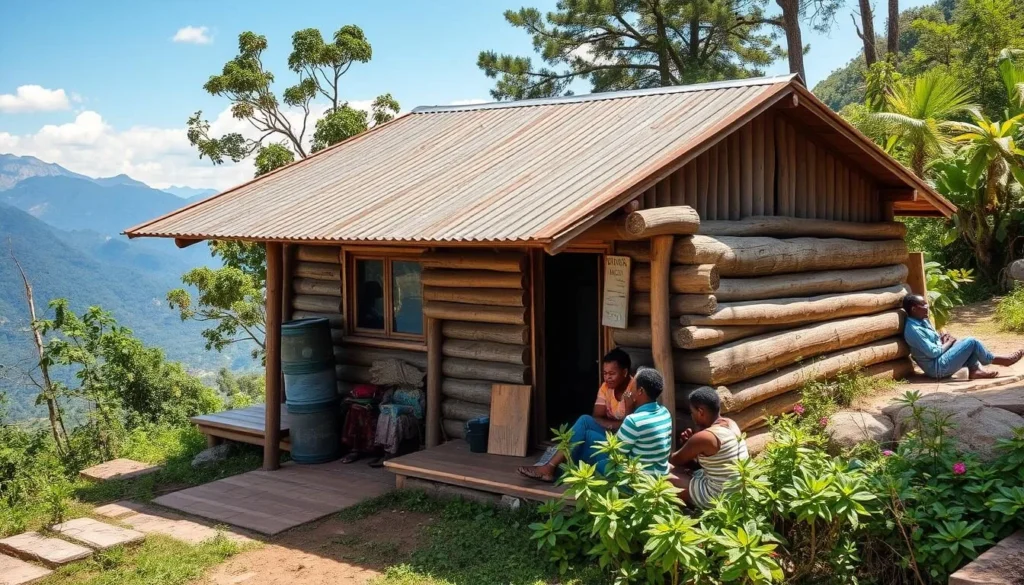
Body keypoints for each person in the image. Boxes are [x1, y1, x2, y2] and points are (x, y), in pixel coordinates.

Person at [519, 366, 673, 482]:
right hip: (655, 474)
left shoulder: (634, 420)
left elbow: (615, 455)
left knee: (586, 440)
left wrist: (627, 409)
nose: (629, 388)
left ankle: (554, 470)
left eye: (633, 385)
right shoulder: (664, 413)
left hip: (632, 479)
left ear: (640, 391)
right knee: (585, 421)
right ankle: (551, 468)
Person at [902, 294, 1023, 380]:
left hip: (940, 360)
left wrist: (943, 339)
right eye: (923, 305)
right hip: (937, 368)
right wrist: (948, 343)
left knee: (964, 344)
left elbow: (934, 343)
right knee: (971, 342)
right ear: (914, 309)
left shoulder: (922, 320)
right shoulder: (914, 330)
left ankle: (975, 371)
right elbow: (933, 353)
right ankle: (1001, 361)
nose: (927, 306)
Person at [669, 387, 749, 509]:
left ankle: (687, 509)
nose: (692, 416)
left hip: (720, 497)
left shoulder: (705, 437)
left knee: (664, 476)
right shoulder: (730, 423)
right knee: (684, 471)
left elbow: (675, 460)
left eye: (692, 412)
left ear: (701, 412)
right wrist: (692, 444)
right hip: (738, 492)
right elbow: (714, 461)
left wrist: (688, 444)